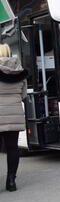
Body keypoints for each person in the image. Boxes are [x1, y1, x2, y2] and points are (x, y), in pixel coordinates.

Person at [0, 43, 28, 192]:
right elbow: (23, 95)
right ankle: (11, 181)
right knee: (12, 148)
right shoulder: (19, 71)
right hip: (14, 115)